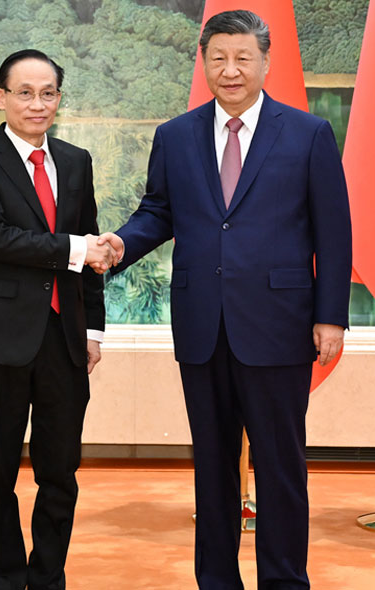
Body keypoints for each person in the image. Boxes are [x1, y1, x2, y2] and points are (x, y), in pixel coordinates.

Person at [98, 10, 352, 590]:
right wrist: (122, 243)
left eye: (242, 58)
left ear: (265, 62)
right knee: (212, 467)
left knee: (280, 468)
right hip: (202, 326)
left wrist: (330, 316)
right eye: (218, 58)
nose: (230, 70)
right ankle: (216, 581)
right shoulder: (176, 135)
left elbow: (334, 232)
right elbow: (158, 211)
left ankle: (284, 581)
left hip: (279, 325)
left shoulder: (308, 133)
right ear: (205, 63)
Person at [0, 49, 114, 590]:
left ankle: (47, 579)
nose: (37, 104)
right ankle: (6, 579)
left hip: (64, 340)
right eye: (24, 93)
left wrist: (92, 330)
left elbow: (91, 255)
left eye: (48, 93)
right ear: (1, 97)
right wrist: (75, 248)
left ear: (59, 99)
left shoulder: (75, 161)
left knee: (60, 472)